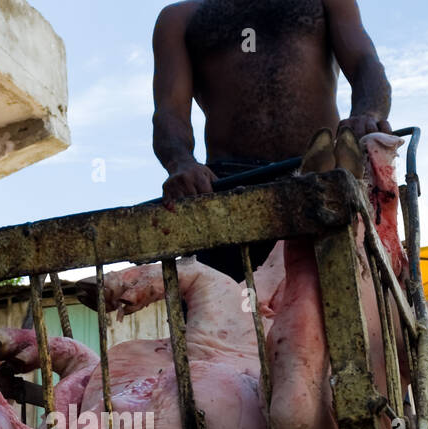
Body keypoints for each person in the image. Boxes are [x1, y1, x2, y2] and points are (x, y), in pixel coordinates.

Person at [152, 0, 391, 279]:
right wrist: (180, 162)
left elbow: (365, 62)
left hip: (322, 177)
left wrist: (368, 112)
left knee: (340, 301)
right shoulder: (178, 18)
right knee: (228, 314)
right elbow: (169, 109)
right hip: (227, 194)